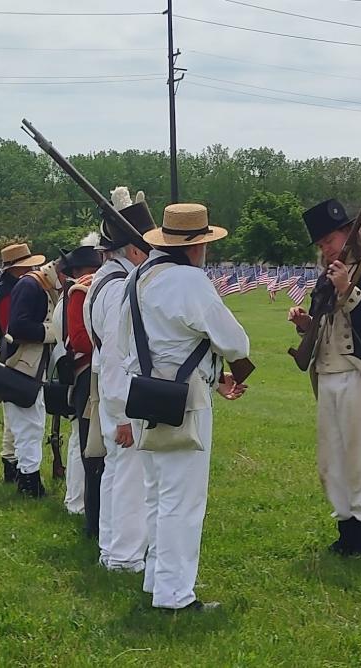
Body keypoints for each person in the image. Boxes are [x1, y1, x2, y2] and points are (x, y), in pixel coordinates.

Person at [125, 202, 250, 612]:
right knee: (183, 502)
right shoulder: (188, 282)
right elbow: (234, 342)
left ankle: (157, 581)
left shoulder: (138, 279)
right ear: (196, 247)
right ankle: (175, 596)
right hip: (187, 400)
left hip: (145, 393)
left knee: (159, 495)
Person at [288, 199, 361, 557]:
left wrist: (348, 291)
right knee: (333, 460)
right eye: (321, 245)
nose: (325, 249)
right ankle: (346, 531)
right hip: (328, 375)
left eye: (329, 241)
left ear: (349, 233)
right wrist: (307, 324)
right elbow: (327, 324)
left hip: (360, 376)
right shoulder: (330, 273)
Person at [85, 187, 155, 565]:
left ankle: (112, 550)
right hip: (122, 397)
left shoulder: (104, 280)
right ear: (132, 250)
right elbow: (114, 356)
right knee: (130, 478)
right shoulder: (120, 288)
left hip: (114, 395)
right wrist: (126, 415)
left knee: (117, 473)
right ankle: (125, 557)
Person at [0, 242, 45, 484]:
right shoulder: (9, 293)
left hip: (13, 355)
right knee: (21, 421)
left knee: (14, 421)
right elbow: (12, 328)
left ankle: (13, 465)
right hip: (17, 357)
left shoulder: (9, 288)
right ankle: (19, 471)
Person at [4, 258, 62, 497]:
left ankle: (25, 475)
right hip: (24, 367)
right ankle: (29, 483)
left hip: (34, 366)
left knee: (30, 425)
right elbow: (17, 327)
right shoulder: (30, 286)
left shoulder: (39, 285)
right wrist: (54, 331)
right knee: (29, 425)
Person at [56, 241, 103, 521]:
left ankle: (77, 500)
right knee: (82, 443)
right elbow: (80, 341)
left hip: (79, 370)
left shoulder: (73, 293)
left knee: (80, 441)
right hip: (82, 372)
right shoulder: (78, 293)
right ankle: (77, 501)